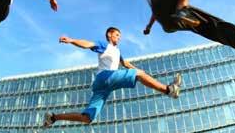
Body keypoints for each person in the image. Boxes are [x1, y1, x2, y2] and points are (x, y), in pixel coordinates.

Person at [43, 27, 182, 127]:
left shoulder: (117, 51)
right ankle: (169, 90)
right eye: (117, 35)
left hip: (102, 87)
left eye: (119, 36)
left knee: (87, 118)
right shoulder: (105, 45)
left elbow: (125, 63)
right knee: (138, 74)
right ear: (109, 35)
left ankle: (54, 117)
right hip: (105, 77)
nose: (119, 38)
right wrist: (72, 40)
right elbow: (88, 44)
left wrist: (140, 72)